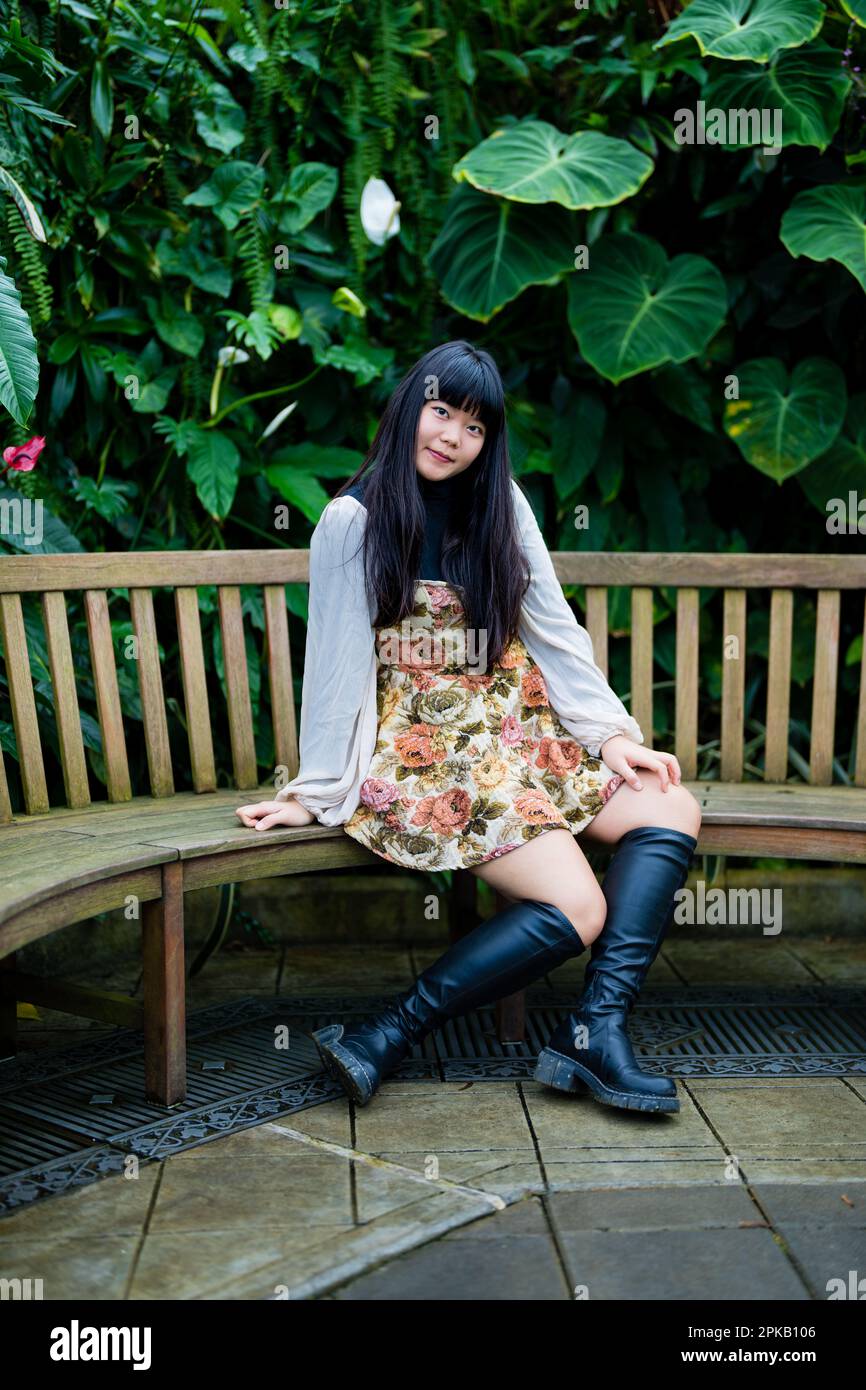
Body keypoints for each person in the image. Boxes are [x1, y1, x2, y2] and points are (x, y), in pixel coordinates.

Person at [236, 341, 701, 1115]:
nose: (452, 436)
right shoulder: (352, 520)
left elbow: (553, 632)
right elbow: (338, 663)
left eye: (475, 426)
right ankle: (386, 1033)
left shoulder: (503, 504)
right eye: (441, 410)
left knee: (670, 808)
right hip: (431, 745)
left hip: (521, 723)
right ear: (409, 407)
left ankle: (595, 1032)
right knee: (579, 910)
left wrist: (613, 736)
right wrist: (316, 791)